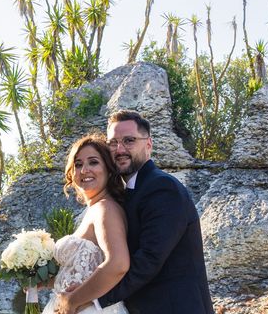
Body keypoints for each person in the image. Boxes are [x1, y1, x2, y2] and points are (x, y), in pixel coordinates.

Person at [58, 110, 215, 314]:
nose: (120, 149)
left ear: (148, 144)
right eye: (113, 143)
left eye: (129, 141)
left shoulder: (162, 187)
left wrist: (93, 301)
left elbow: (149, 259)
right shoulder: (128, 194)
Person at [43, 134, 130, 314]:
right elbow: (82, 269)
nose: (84, 170)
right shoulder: (94, 210)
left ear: (109, 169)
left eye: (93, 162)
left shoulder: (106, 209)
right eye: (78, 164)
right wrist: (41, 280)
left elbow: (118, 264)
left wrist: (73, 301)